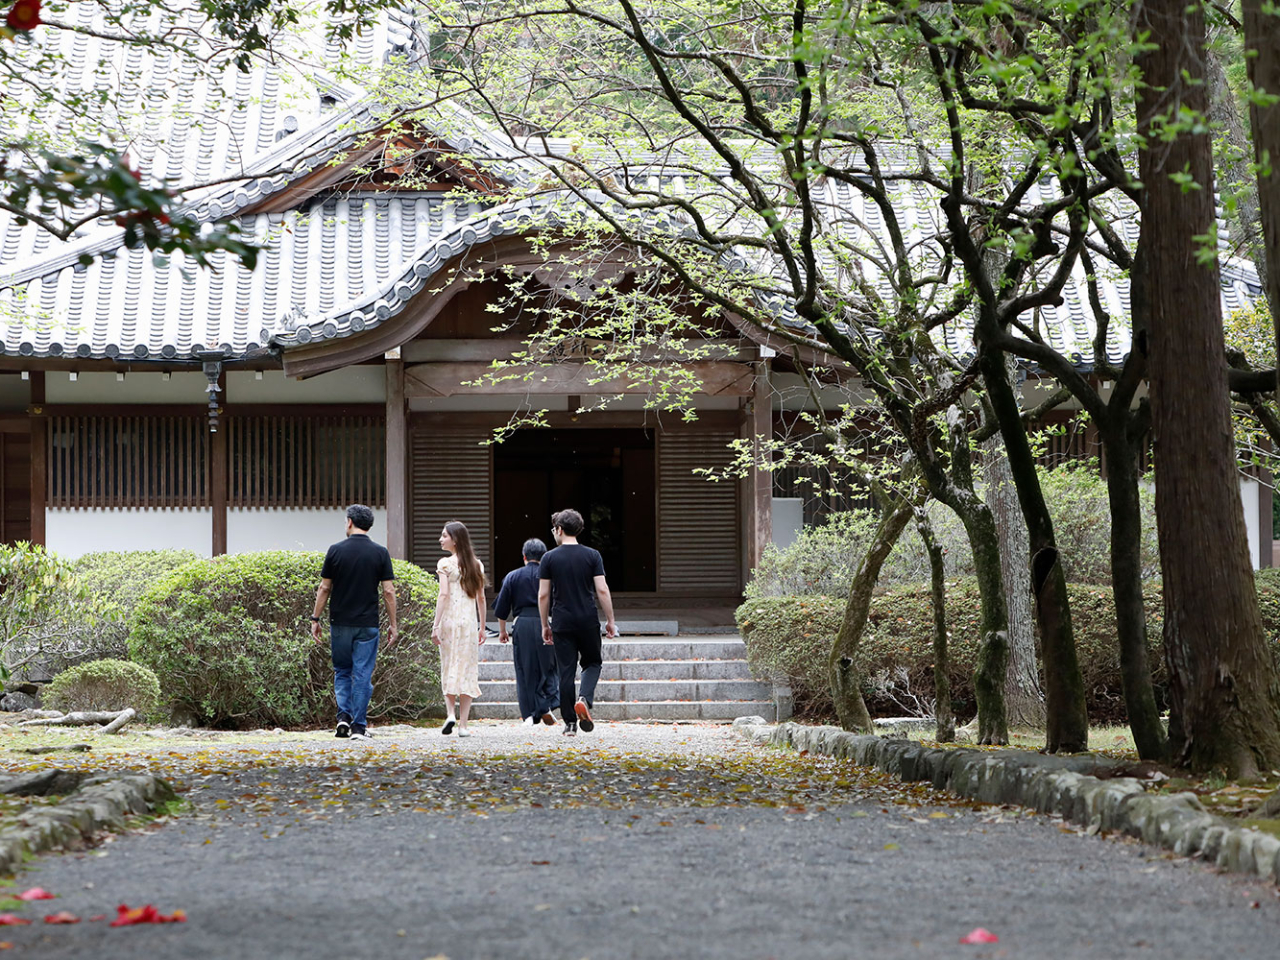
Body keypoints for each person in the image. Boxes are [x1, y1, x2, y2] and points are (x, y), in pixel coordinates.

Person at [311, 504, 397, 741]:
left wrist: (315, 618)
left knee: (342, 670)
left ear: (349, 522)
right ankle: (358, 727)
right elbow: (388, 592)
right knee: (362, 674)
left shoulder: (335, 551)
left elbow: (324, 587)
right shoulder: (380, 553)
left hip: (340, 622)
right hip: (368, 623)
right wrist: (393, 624)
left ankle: (342, 718)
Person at [538, 508, 617, 736]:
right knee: (592, 663)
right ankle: (584, 698)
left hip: (562, 621)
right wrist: (611, 620)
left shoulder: (549, 558)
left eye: (554, 529)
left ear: (560, 529)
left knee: (565, 671)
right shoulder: (592, 555)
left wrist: (545, 624)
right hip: (587, 618)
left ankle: (570, 724)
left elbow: (543, 595)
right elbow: (602, 589)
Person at [495, 538, 559, 727]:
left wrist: (502, 631)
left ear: (524, 557)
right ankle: (546, 705)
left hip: (521, 623)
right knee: (548, 666)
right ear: (544, 557)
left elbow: (502, 608)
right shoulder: (550, 576)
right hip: (545, 623)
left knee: (524, 669)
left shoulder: (512, 577)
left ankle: (529, 715)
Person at [433, 520, 486, 737]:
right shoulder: (477, 565)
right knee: (467, 668)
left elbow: (443, 595)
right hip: (468, 623)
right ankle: (463, 726)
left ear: (454, 540)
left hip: (449, 621)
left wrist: (435, 624)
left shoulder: (445, 564)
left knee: (448, 664)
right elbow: (481, 598)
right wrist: (482, 627)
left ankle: (450, 714)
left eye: (444, 535)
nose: (441, 539)